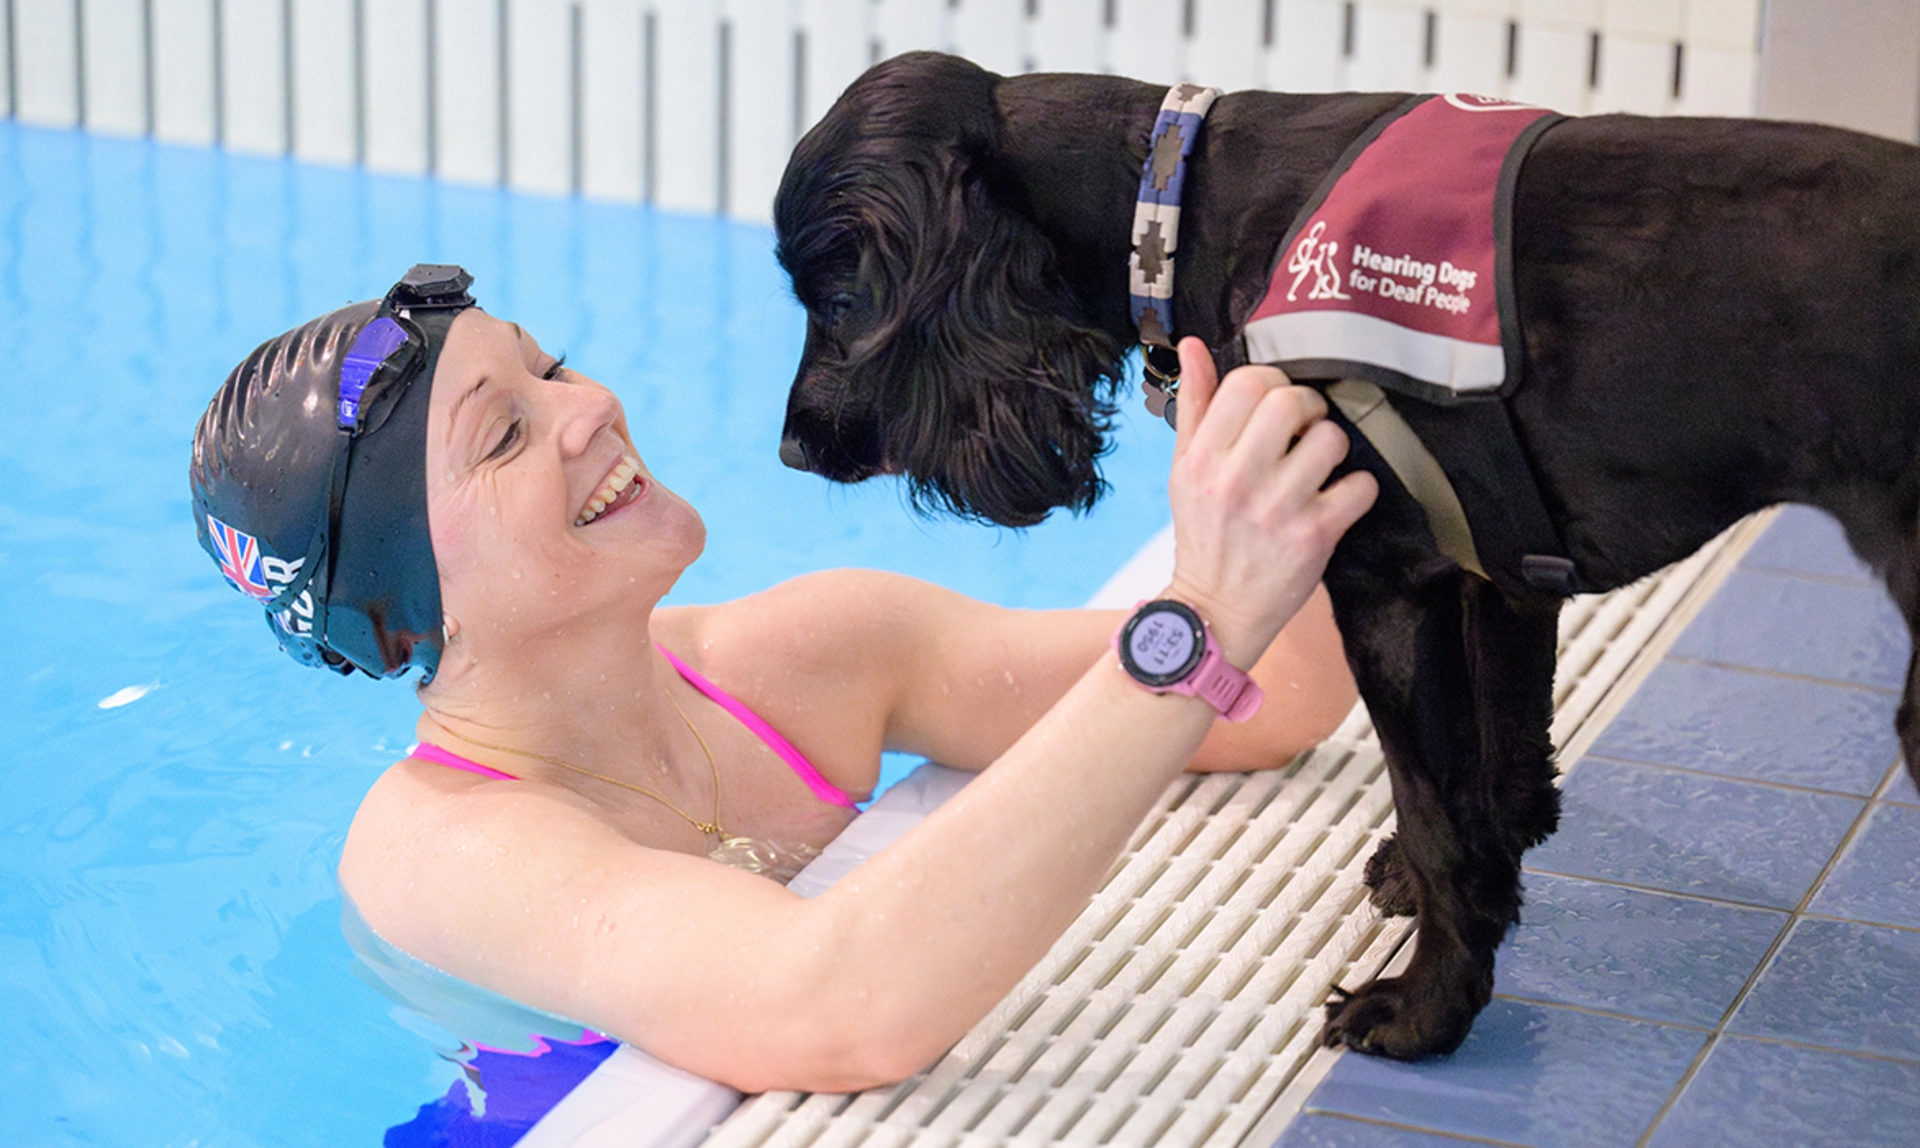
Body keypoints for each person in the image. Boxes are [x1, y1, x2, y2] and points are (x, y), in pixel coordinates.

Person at [189, 265, 1377, 1094]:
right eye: (503, 434)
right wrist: (1194, 625)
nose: (589, 407)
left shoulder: (809, 654)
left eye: (553, 368)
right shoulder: (441, 850)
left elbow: (1283, 695)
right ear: (400, 608)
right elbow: (839, 1010)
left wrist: (1241, 416)